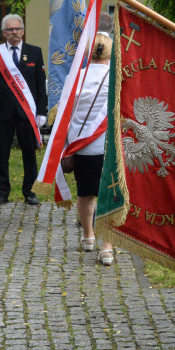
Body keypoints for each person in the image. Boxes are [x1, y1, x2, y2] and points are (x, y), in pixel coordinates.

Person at [0, 14, 47, 206]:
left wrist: (42, 112)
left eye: (17, 29)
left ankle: (30, 192)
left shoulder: (34, 52)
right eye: (10, 30)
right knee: (2, 154)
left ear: (23, 31)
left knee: (29, 154)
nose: (14, 33)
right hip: (3, 113)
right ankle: (1, 192)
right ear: (3, 33)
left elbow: (40, 86)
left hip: (26, 113)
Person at [65, 32, 115, 264]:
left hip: (81, 146)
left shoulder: (75, 77)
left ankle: (88, 237)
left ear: (88, 53)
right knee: (110, 196)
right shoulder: (116, 78)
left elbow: (67, 112)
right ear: (110, 53)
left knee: (85, 193)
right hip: (107, 146)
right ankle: (107, 247)